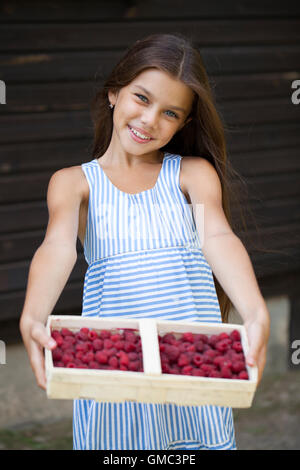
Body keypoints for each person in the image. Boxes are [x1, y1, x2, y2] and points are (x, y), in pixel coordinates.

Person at [19, 33, 270, 450]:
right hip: (118, 380)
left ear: (185, 123)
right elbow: (57, 248)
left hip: (191, 372)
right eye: (141, 98)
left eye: (170, 112)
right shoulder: (75, 185)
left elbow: (216, 236)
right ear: (114, 93)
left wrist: (256, 312)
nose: (150, 120)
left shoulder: (190, 176)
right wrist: (32, 314)